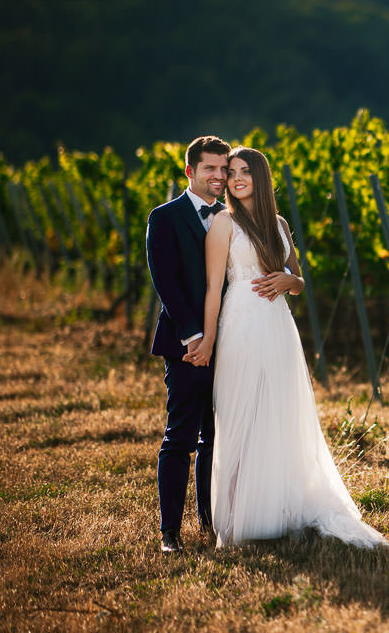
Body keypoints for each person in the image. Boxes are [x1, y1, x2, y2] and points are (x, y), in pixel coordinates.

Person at [183, 146, 388, 549]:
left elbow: (298, 279)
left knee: (277, 413)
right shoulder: (223, 223)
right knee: (241, 412)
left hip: (277, 326)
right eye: (232, 172)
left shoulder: (277, 223)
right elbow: (212, 289)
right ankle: (243, 518)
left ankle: (277, 509)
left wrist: (286, 281)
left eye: (245, 171)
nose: (236, 178)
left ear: (261, 177)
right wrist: (207, 339)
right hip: (240, 324)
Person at [145, 135, 231, 553]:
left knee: (216, 437)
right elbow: (167, 283)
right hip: (186, 345)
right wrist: (194, 336)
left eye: (223, 168)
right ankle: (169, 533)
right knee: (180, 435)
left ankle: (210, 523)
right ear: (190, 171)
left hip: (232, 343)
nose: (219, 176)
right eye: (210, 168)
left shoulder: (236, 217)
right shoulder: (165, 217)